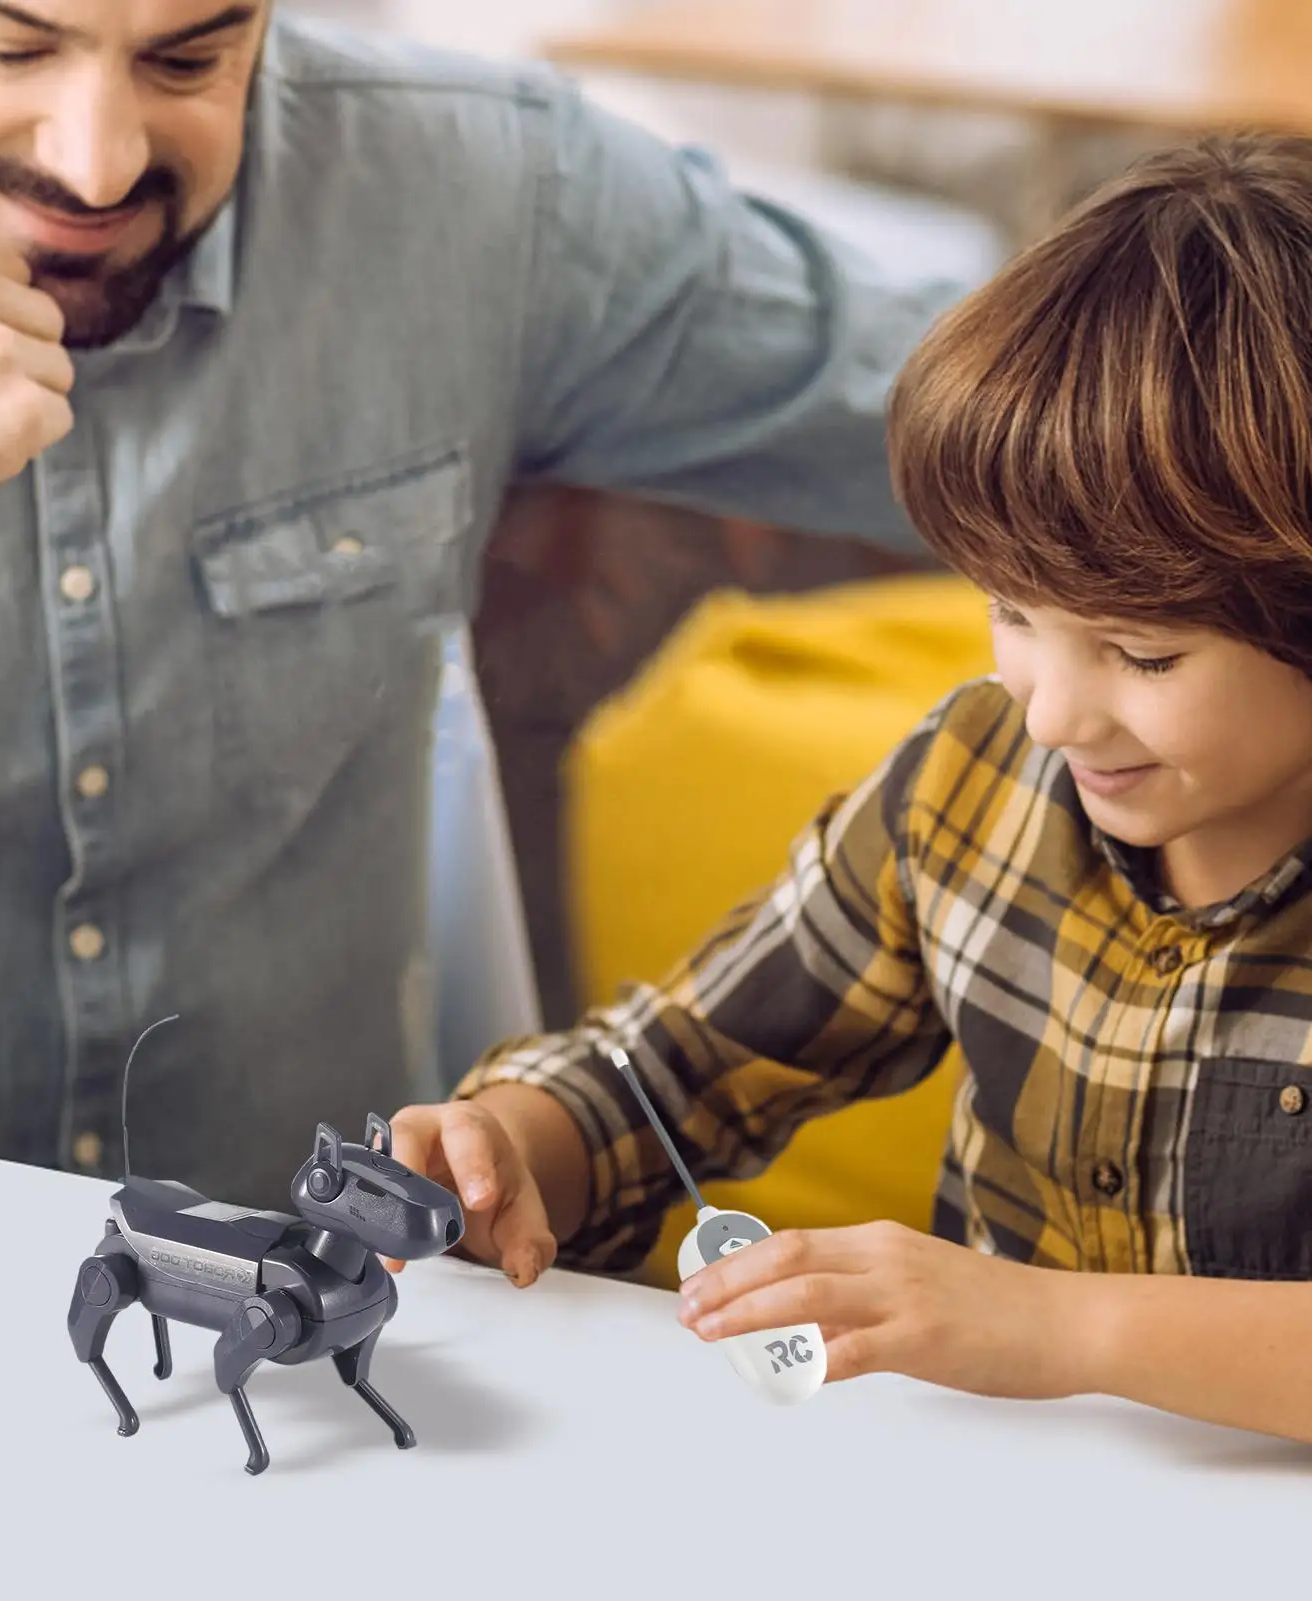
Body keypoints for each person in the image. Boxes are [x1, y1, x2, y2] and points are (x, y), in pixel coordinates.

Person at [0, 1, 959, 1201]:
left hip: (334, 1280)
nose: (98, 165)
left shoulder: (480, 189)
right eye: (8, 44)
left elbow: (1021, 412)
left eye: (190, 59)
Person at [388, 132, 1312, 1445]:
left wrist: (1052, 1324)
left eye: (1143, 652)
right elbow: (681, 1064)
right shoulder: (974, 780)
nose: (1050, 709)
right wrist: (512, 1142)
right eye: (1010, 613)